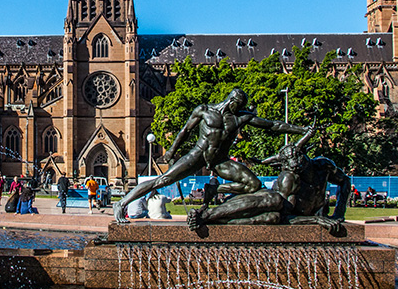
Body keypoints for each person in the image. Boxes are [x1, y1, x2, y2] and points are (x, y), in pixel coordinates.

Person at [114, 88, 308, 223]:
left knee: (254, 185)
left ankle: (215, 190)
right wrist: (171, 151)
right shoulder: (204, 110)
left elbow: (273, 125)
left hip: (220, 160)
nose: (239, 108)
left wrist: (301, 130)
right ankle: (122, 203)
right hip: (198, 155)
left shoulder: (240, 117)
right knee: (162, 180)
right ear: (231, 100)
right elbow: (185, 131)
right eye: (238, 104)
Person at [186, 125, 351, 233]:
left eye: (299, 165)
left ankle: (215, 218)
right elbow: (287, 216)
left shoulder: (323, 166)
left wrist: (338, 213)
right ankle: (208, 215)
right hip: (269, 203)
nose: (295, 171)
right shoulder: (290, 179)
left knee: (272, 218)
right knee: (273, 202)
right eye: (290, 168)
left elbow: (345, 181)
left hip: (277, 214)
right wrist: (316, 220)